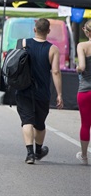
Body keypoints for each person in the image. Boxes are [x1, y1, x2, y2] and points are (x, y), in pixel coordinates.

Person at [15, 18, 63, 164]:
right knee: (40, 123)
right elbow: (55, 72)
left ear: (34, 29)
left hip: (23, 89)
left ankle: (29, 154)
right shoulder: (53, 49)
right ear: (48, 31)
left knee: (27, 121)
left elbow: (15, 63)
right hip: (42, 91)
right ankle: (38, 151)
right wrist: (59, 94)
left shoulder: (23, 43)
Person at [76, 19, 91, 165]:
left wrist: (78, 69)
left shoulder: (82, 46)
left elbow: (82, 66)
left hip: (86, 90)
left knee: (85, 124)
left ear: (86, 31)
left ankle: (84, 156)